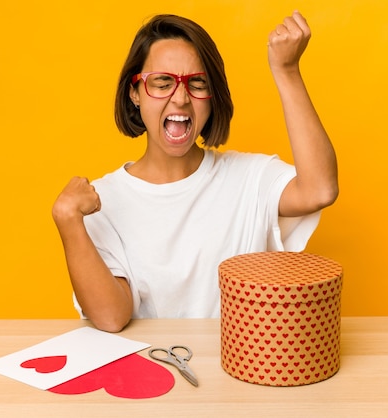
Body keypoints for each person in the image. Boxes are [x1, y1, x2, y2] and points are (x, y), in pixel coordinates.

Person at [52, 11, 338, 332]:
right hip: (154, 376)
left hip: (241, 371)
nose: (181, 98)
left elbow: (320, 190)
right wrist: (68, 220)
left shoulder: (249, 179)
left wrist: (287, 70)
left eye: (197, 83)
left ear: (212, 97)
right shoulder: (102, 201)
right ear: (134, 93)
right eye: (162, 82)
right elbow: (111, 317)